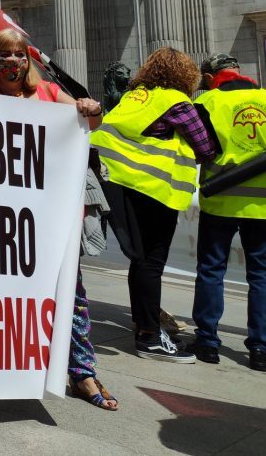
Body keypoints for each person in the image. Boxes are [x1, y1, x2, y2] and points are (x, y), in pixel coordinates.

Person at [0, 29, 115, 408]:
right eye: (4, 55)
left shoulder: (50, 94)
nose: (13, 63)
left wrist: (90, 108)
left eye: (19, 55)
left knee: (71, 295)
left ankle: (82, 372)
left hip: (50, 218)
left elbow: (93, 123)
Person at [90, 47, 216, 364]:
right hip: (152, 188)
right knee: (151, 262)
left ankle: (144, 326)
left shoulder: (135, 97)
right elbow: (205, 146)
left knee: (141, 262)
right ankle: (149, 337)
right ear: (184, 75)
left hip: (118, 183)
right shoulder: (175, 100)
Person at [188, 54, 266, 371]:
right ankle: (260, 349)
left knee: (211, 270)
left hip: (221, 200)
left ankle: (207, 343)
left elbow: (199, 149)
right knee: (261, 276)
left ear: (208, 76)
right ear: (239, 71)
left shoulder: (209, 101)